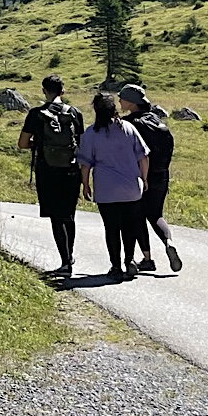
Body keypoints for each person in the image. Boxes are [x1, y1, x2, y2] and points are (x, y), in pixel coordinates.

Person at [77, 90, 149, 282]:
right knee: (130, 226)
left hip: (106, 189)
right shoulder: (128, 128)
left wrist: (85, 185)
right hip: (131, 188)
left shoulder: (91, 133)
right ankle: (130, 260)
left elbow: (85, 165)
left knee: (112, 228)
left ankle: (116, 266)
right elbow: (143, 157)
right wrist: (144, 179)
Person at [17, 75, 85, 279]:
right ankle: (70, 255)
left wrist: (38, 146)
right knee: (69, 215)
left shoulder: (36, 114)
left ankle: (65, 261)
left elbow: (22, 143)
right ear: (63, 91)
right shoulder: (75, 113)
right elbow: (82, 144)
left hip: (47, 170)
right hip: (71, 170)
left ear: (44, 91)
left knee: (56, 216)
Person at [120, 82, 182, 273]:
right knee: (156, 214)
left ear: (130, 103)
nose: (120, 102)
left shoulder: (130, 124)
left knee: (137, 216)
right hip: (161, 174)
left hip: (141, 176)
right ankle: (168, 241)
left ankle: (147, 259)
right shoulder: (155, 119)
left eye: (122, 99)